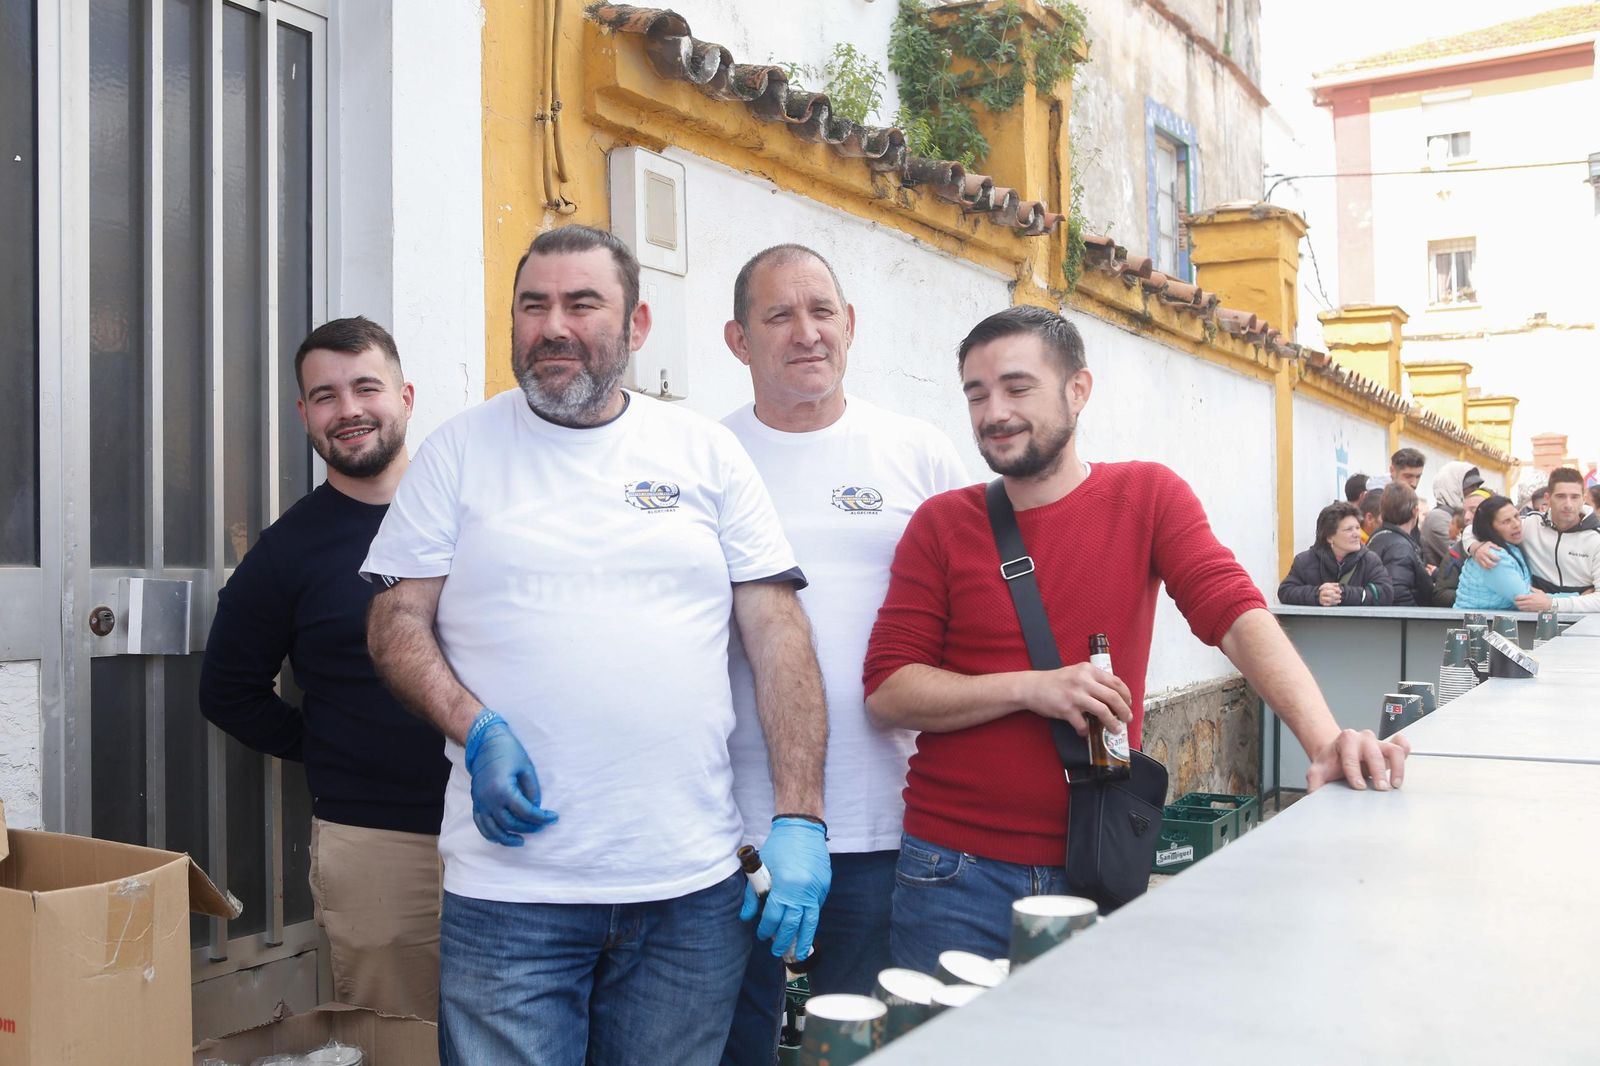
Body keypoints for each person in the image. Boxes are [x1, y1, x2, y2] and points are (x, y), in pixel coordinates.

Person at [361, 225, 831, 1066]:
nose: (554, 326)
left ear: (638, 324)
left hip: (688, 891)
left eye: (583, 304)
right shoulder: (458, 452)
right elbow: (396, 621)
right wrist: (477, 727)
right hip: (511, 896)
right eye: (533, 306)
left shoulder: (704, 452)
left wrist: (801, 817)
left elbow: (779, 635)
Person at [861, 306, 1410, 970]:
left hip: (1099, 864)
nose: (993, 411)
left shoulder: (1146, 496)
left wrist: (1324, 741)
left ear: (1078, 390)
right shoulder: (941, 524)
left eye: (1016, 387)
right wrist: (1031, 689)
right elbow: (889, 689)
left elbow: (1233, 612)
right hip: (952, 872)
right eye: (976, 394)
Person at [718, 244, 968, 1064]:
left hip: (885, 820)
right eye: (779, 315)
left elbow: (971, 616)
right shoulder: (703, 458)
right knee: (732, 1049)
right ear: (737, 339)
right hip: (730, 830)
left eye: (822, 311)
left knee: (863, 1044)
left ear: (850, 325)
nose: (806, 333)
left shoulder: (917, 452)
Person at [198, 317, 449, 1020]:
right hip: (380, 844)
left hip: (513, 830)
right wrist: (329, 746)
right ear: (305, 414)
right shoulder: (288, 551)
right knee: (401, 1038)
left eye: (366, 387)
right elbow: (227, 691)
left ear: (405, 395)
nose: (349, 410)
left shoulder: (470, 512)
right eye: (326, 396)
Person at [1466, 468, 1600, 613]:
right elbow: (1473, 528)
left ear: (1583, 498)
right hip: (1534, 618)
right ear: (1548, 498)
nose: (1568, 504)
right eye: (1561, 496)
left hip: (1582, 622)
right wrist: (1474, 547)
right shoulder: (1529, 524)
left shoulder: (1596, 538)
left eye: (1574, 497)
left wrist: (1554, 604)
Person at [1278, 502, 1395, 607]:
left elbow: (1385, 593)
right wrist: (1317, 595)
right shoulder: (1305, 561)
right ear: (1329, 537)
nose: (1357, 534)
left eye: (1358, 528)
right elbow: (1285, 591)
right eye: (1349, 529)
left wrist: (1343, 594)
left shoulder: (1369, 560)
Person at [1455, 495, 1533, 610]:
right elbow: (1527, 601)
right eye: (1506, 521)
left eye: (1516, 516)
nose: (1516, 524)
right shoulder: (1493, 555)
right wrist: (1562, 602)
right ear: (1490, 528)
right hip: (1477, 625)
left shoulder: (1511, 546)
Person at [1366, 483, 1432, 607]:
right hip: (1399, 624)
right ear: (1415, 512)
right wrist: (1419, 620)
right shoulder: (1399, 547)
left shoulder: (1377, 537)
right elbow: (1397, 594)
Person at [1431, 490, 1489, 608]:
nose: (1467, 517)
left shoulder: (1509, 546)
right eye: (1465, 512)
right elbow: (1441, 594)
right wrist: (1478, 598)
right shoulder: (1456, 553)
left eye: (1473, 511)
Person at [1421, 460, 1484, 568]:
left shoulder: (1460, 515)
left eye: (1477, 487)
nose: (1475, 492)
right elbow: (1464, 555)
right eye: (1470, 488)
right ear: (1453, 488)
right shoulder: (1438, 517)